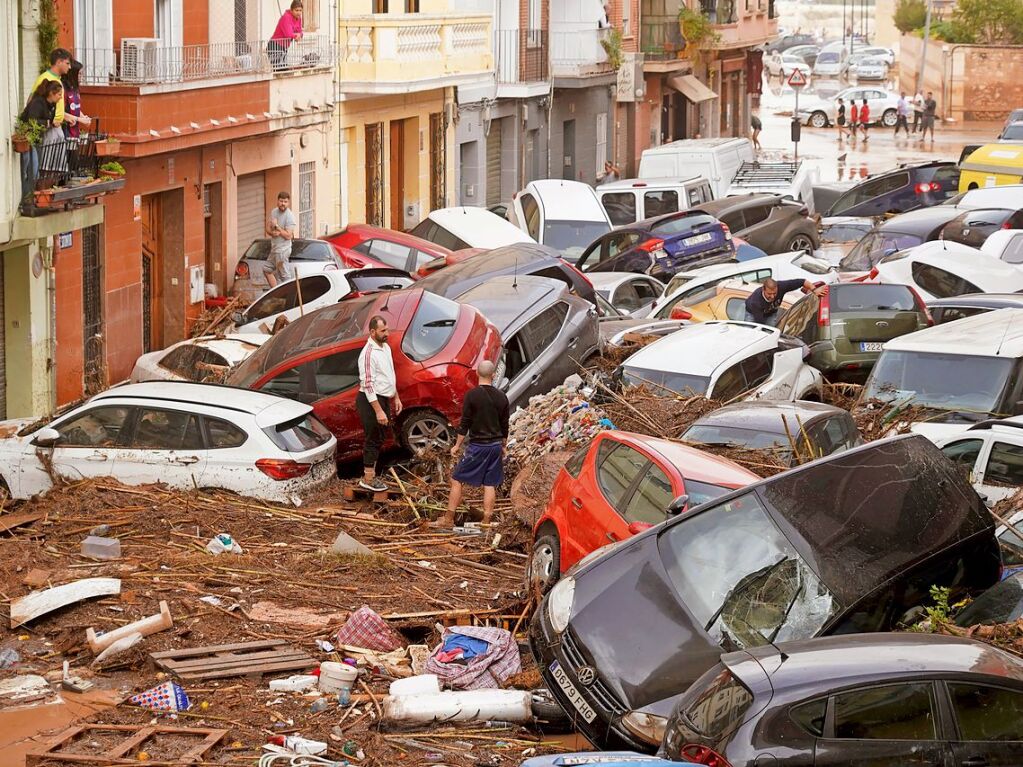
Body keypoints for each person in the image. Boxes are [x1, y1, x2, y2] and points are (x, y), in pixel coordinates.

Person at [434, 360, 509, 528]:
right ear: (494, 375)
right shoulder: (502, 397)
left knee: (456, 479)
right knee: (490, 484)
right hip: (495, 446)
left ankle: (448, 519)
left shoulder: (472, 396)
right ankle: (486, 521)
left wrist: (457, 445)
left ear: (477, 374)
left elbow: (464, 424)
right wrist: (503, 445)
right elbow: (505, 425)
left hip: (478, 447)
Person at [356, 315, 403, 492]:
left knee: (381, 436)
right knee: (373, 438)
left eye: (387, 330)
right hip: (370, 401)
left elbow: (389, 375)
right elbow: (368, 385)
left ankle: (372, 474)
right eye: (383, 331)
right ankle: (368, 478)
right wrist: (378, 411)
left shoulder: (385, 348)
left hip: (383, 398)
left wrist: (396, 396)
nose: (387, 333)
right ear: (373, 331)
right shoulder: (368, 354)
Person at [18, 80, 62, 205]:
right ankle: (26, 200)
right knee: (32, 169)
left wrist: (52, 123)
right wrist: (48, 123)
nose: (60, 98)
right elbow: (33, 120)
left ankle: (28, 197)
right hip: (29, 139)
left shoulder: (51, 106)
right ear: (52, 93)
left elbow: (49, 119)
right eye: (59, 94)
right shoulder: (38, 102)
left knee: (35, 171)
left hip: (38, 140)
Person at [745, 278, 828, 326]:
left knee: (771, 332)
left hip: (771, 312)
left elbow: (802, 282)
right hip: (753, 314)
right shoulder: (756, 301)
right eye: (769, 294)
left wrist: (814, 290)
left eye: (775, 293)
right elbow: (760, 325)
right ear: (763, 289)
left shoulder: (782, 286)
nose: (772, 296)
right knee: (754, 334)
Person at [265, 191, 296, 288]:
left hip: (283, 250)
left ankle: (289, 296)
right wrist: (272, 233)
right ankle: (276, 293)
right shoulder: (274, 212)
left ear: (288, 203)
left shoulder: (290, 216)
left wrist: (277, 227)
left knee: (284, 275)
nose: (283, 204)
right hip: (274, 248)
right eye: (281, 201)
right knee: (266, 270)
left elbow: (288, 236)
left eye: (285, 202)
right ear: (277, 201)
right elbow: (267, 228)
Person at [268, 0, 303, 71]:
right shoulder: (286, 17)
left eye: (300, 10)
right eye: (296, 10)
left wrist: (300, 35)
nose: (299, 12)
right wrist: (297, 36)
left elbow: (300, 31)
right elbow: (288, 34)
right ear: (291, 10)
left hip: (284, 47)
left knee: (284, 69)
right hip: (275, 46)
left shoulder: (298, 18)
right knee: (279, 70)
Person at [61, 59, 92, 140]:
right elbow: (60, 112)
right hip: (65, 130)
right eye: (79, 74)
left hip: (75, 131)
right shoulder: (63, 88)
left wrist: (83, 118)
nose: (81, 77)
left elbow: (75, 107)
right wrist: (80, 119)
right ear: (73, 74)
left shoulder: (75, 88)